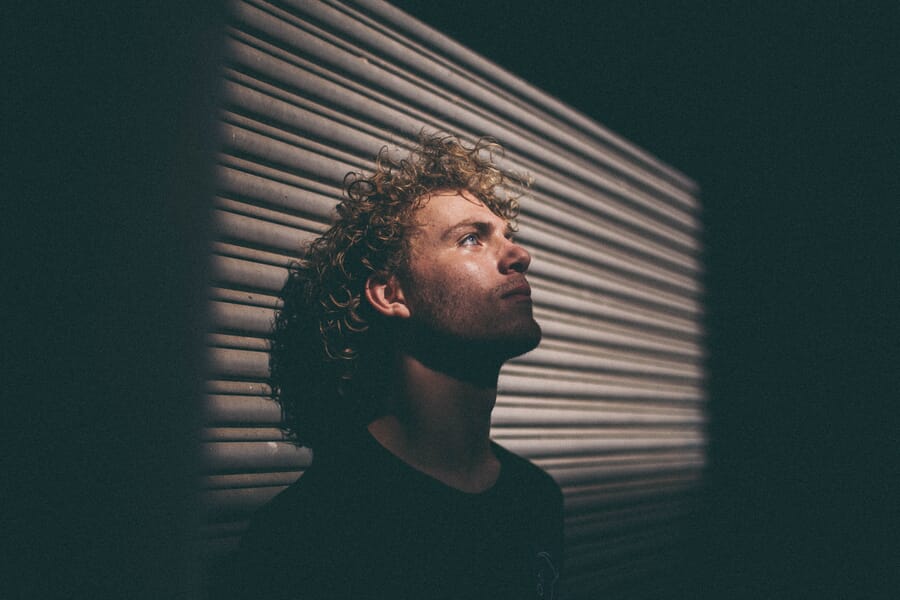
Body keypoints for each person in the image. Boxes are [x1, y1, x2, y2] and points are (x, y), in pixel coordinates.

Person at [227, 132, 564, 600]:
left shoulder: (535, 499)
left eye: (509, 237)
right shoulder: (309, 535)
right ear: (390, 294)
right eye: (471, 239)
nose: (519, 255)